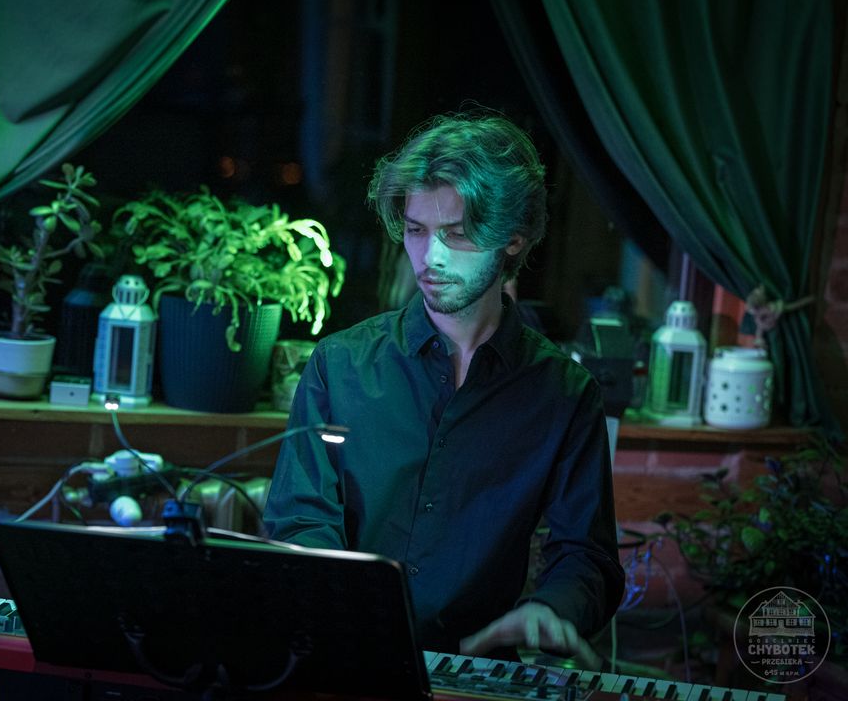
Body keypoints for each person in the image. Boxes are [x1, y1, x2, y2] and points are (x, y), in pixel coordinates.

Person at [262, 112, 624, 663]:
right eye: (416, 231)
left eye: (456, 234)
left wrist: (553, 609)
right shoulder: (341, 365)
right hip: (342, 657)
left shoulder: (564, 393)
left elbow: (587, 556)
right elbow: (298, 521)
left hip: (472, 668)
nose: (430, 258)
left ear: (513, 238)